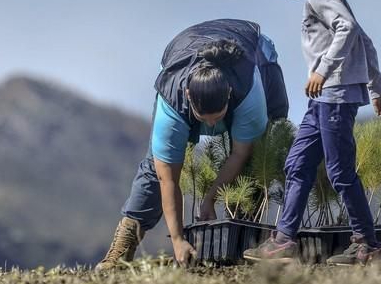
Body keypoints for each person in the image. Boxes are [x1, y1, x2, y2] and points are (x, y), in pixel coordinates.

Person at [243, 0, 381, 265]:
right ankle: (284, 242)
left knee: (340, 172)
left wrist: (321, 70)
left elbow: (350, 29)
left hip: (335, 97)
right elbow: (364, 41)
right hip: (322, 101)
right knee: (298, 163)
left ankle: (367, 246)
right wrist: (377, 88)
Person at [96, 19, 288, 270]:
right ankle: (123, 247)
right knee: (155, 165)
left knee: (260, 155)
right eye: (202, 119)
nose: (210, 126)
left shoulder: (248, 90)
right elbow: (168, 179)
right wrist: (177, 240)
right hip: (183, 51)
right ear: (188, 97)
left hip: (257, 56)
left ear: (229, 95)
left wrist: (211, 196)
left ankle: (245, 243)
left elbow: (241, 153)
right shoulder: (172, 100)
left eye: (217, 118)